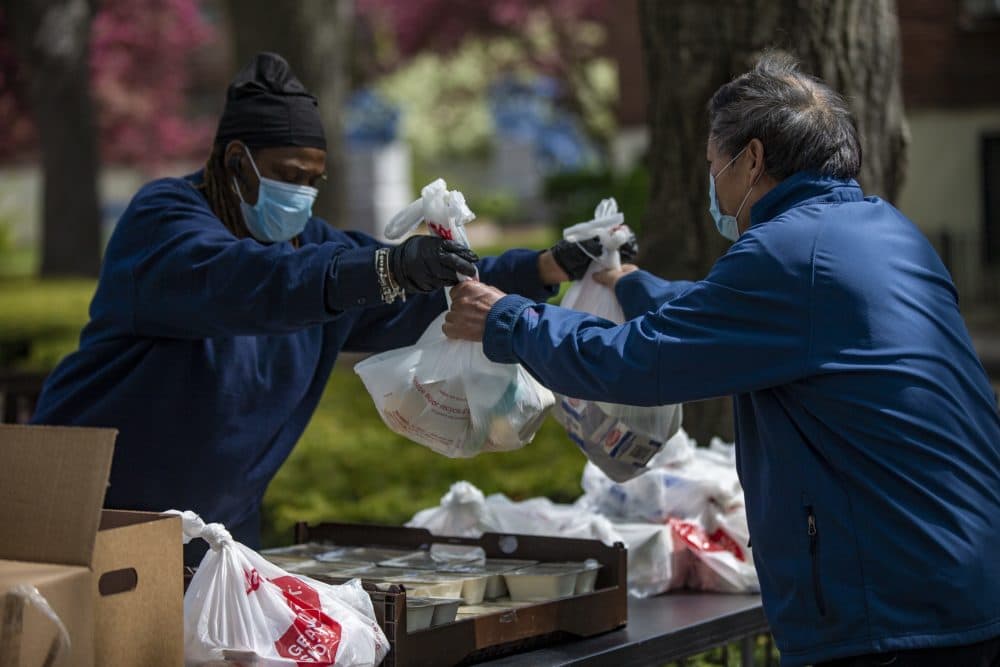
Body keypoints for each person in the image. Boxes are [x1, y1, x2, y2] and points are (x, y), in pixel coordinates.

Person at [445, 53, 1000, 667]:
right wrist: (629, 284)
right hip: (958, 578)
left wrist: (509, 319)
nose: (712, 183)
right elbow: (731, 319)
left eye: (714, 165)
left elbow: (641, 362)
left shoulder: (786, 253)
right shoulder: (884, 234)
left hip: (891, 617)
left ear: (753, 159)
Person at [30, 52, 629, 565]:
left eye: (314, 179)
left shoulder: (313, 248)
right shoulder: (164, 222)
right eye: (289, 175)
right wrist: (383, 269)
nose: (303, 194)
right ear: (236, 161)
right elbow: (250, 284)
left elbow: (425, 293)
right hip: (92, 508)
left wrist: (543, 267)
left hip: (215, 533)